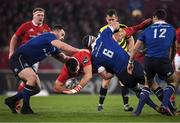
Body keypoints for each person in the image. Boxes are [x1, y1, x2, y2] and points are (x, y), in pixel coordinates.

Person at [82, 20, 161, 116]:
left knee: (137, 90)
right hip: (130, 65)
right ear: (93, 38)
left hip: (123, 76)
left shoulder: (94, 58)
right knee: (151, 84)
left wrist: (114, 70)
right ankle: (168, 106)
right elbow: (117, 24)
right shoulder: (103, 35)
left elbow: (106, 76)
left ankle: (155, 107)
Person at [5, 25, 79, 114]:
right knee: (31, 77)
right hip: (19, 58)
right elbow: (62, 47)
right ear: (57, 31)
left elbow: (63, 57)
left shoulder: (53, 47)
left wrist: (75, 59)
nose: (63, 38)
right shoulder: (49, 35)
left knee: (36, 89)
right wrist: (79, 51)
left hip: (27, 63)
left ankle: (12, 100)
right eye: (62, 34)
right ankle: (25, 108)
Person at [127, 9, 179, 116]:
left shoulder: (147, 30)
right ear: (164, 18)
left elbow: (136, 48)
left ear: (155, 17)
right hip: (163, 60)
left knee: (147, 85)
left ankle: (137, 111)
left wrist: (130, 62)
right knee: (173, 81)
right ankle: (164, 105)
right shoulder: (172, 29)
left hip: (149, 61)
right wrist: (170, 60)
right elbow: (174, 48)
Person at [8, 8, 51, 110]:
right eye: (38, 15)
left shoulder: (46, 29)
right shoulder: (26, 26)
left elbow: (50, 42)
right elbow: (14, 37)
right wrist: (11, 51)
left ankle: (14, 101)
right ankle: (20, 104)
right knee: (29, 81)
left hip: (35, 60)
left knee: (35, 87)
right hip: (23, 57)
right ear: (33, 15)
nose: (41, 17)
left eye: (42, 15)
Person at [98, 9, 134, 112]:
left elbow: (130, 39)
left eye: (113, 20)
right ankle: (100, 104)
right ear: (106, 19)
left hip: (122, 59)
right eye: (109, 20)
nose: (111, 22)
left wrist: (130, 51)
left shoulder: (123, 28)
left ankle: (126, 105)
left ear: (117, 19)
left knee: (124, 82)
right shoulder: (103, 30)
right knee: (105, 83)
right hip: (109, 60)